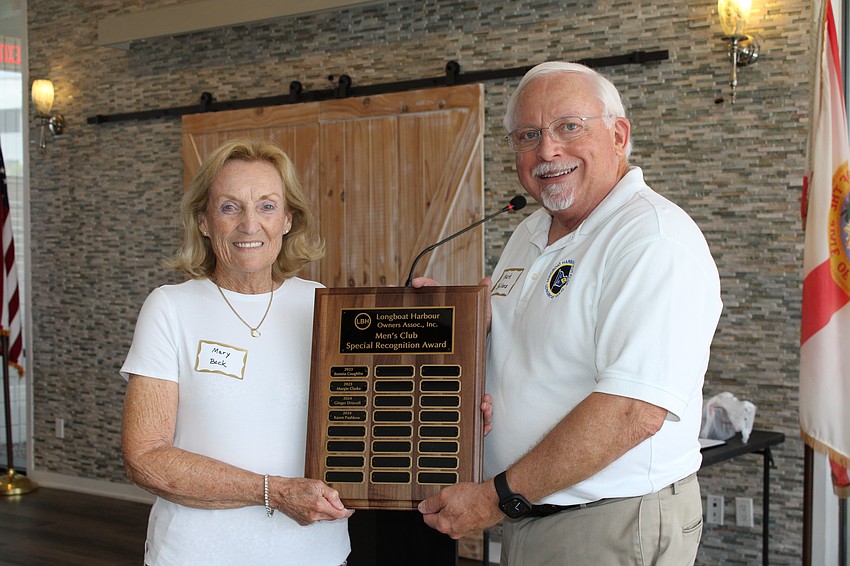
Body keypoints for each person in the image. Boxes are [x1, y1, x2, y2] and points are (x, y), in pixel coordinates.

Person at [417, 62, 722, 565]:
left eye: (568, 127)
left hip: (610, 523)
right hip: (533, 512)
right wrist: (454, 320)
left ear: (619, 135)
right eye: (529, 135)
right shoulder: (531, 231)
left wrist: (497, 496)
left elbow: (631, 413)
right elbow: (529, 334)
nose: (547, 151)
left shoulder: (652, 240)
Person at [120, 138, 353, 566]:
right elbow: (145, 456)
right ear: (205, 222)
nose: (250, 225)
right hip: (195, 555)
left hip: (315, 552)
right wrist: (274, 492)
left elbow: (361, 417)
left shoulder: (322, 303)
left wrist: (451, 406)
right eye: (230, 207)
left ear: (287, 219)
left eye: (266, 206)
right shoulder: (170, 307)